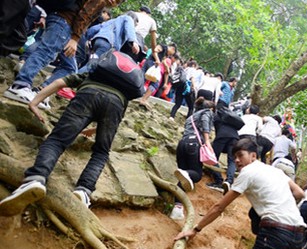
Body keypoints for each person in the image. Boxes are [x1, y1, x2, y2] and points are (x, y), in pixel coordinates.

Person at [0, 51, 144, 215]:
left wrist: (35, 102)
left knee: (57, 140)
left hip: (87, 95)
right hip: (116, 104)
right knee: (101, 152)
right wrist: (96, 129)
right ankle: (84, 191)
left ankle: (36, 178)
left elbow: (60, 82)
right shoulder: (125, 90)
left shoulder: (92, 74)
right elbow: (114, 118)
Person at [174, 138, 307, 249]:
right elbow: (300, 193)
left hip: (274, 232)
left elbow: (219, 207)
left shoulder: (248, 172)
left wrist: (195, 229)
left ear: (253, 156)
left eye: (240, 155)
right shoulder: (276, 171)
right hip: (298, 235)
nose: (236, 160)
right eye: (234, 156)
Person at [3, 0, 122, 107]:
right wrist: (75, 38)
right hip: (65, 21)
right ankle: (20, 85)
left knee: (69, 67)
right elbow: (84, 15)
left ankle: (41, 92)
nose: (114, 1)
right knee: (47, 51)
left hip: (62, 22)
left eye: (118, 1)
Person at [170, 97, 215, 220]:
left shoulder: (192, 116)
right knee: (196, 174)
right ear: (210, 108)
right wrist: (207, 141)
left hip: (182, 144)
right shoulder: (207, 112)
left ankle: (177, 209)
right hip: (194, 144)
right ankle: (185, 173)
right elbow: (205, 122)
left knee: (184, 179)